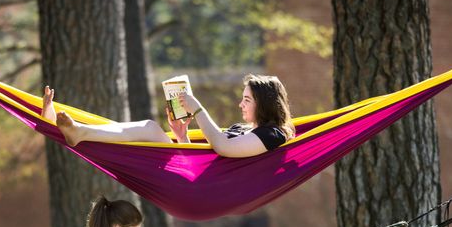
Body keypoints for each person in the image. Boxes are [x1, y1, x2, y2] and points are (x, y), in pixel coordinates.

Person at [41, 74, 295, 158]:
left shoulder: (273, 134)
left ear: (265, 104)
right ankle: (64, 128)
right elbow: (209, 157)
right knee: (150, 129)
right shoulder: (242, 128)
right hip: (195, 174)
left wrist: (197, 109)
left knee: (150, 129)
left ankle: (79, 132)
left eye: (247, 100)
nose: (240, 105)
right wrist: (181, 137)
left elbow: (223, 147)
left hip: (202, 190)